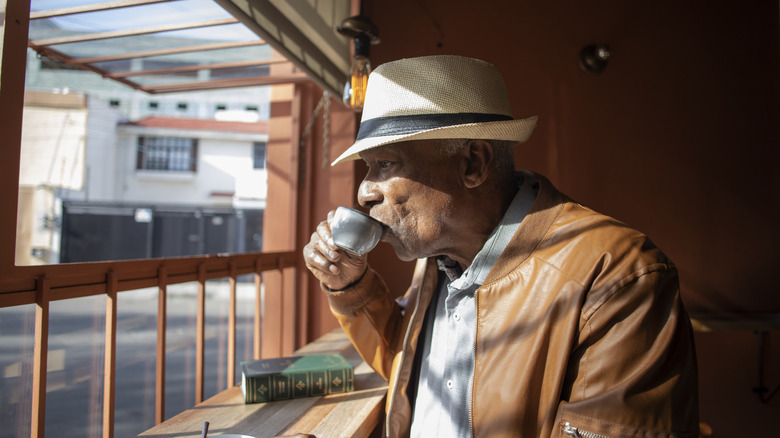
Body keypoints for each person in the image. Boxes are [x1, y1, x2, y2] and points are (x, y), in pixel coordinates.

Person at [303, 55, 699, 438]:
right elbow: (411, 372)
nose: (363, 191)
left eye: (385, 164)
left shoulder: (617, 276)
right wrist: (348, 286)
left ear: (473, 163)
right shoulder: (443, 257)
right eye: (367, 168)